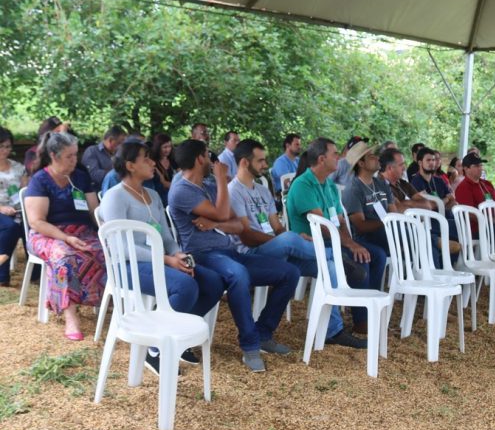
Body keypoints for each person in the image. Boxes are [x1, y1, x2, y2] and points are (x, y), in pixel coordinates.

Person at [168, 139, 299, 372]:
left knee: (290, 273)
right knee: (238, 275)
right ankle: (250, 346)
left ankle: (263, 333)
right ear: (199, 158)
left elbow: (237, 225)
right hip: (203, 255)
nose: (214, 161)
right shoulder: (182, 190)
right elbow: (222, 213)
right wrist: (221, 179)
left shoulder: (209, 186)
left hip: (229, 252)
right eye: (209, 155)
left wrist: (216, 222)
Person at [101, 141, 223, 373]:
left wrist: (177, 254)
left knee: (213, 282)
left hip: (159, 261)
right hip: (127, 266)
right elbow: (120, 247)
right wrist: (166, 260)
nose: (152, 162)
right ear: (130, 165)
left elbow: (166, 237)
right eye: (146, 158)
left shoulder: (153, 195)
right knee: (185, 286)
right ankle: (155, 348)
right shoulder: (115, 197)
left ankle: (173, 333)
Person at [228, 139, 355, 344]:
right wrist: (287, 239)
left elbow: (278, 228)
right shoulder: (233, 191)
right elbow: (246, 236)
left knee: (328, 267)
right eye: (260, 161)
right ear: (244, 162)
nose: (266, 164)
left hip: (276, 250)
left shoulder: (262, 190)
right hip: (249, 253)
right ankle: (337, 255)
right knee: (291, 239)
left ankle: (332, 330)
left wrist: (292, 239)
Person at [287, 137, 385, 337]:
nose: (339, 158)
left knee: (377, 255)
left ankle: (368, 308)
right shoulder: (303, 184)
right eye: (335, 154)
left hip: (333, 241)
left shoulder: (329, 186)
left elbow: (340, 221)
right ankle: (361, 321)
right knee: (360, 258)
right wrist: (351, 245)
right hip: (312, 245)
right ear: (322, 159)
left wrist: (352, 242)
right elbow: (323, 225)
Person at [24, 132, 106, 340]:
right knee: (64, 256)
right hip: (47, 234)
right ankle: (71, 315)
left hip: (81, 232)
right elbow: (37, 221)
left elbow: (94, 211)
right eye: (69, 156)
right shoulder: (40, 180)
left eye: (75, 154)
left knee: (104, 252)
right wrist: (65, 238)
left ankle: (104, 302)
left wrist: (106, 232)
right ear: (54, 155)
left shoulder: (80, 177)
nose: (74, 160)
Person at [342, 141, 398, 254]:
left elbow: (394, 211)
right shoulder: (353, 189)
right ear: (361, 164)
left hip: (387, 231)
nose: (377, 158)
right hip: (367, 237)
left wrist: (391, 221)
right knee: (411, 238)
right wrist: (386, 221)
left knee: (417, 233)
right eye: (372, 157)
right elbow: (360, 226)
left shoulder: (382, 183)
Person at [0, 127, 28, 285]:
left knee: (30, 225)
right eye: (1, 146)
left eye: (7, 146)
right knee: (10, 227)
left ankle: (35, 273)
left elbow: (26, 191)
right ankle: (2, 276)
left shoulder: (18, 167)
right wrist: (1, 208)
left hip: (18, 209)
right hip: (1, 210)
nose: (5, 150)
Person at [81, 125, 127, 190]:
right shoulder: (92, 151)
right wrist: (117, 172)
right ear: (110, 140)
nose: (121, 146)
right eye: (119, 143)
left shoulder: (119, 153)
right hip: (97, 191)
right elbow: (94, 175)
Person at [149, 133, 177, 205]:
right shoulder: (153, 163)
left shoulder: (173, 160)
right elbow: (164, 183)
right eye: (165, 147)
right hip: (163, 196)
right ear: (158, 148)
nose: (168, 149)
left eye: (169, 146)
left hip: (175, 192)